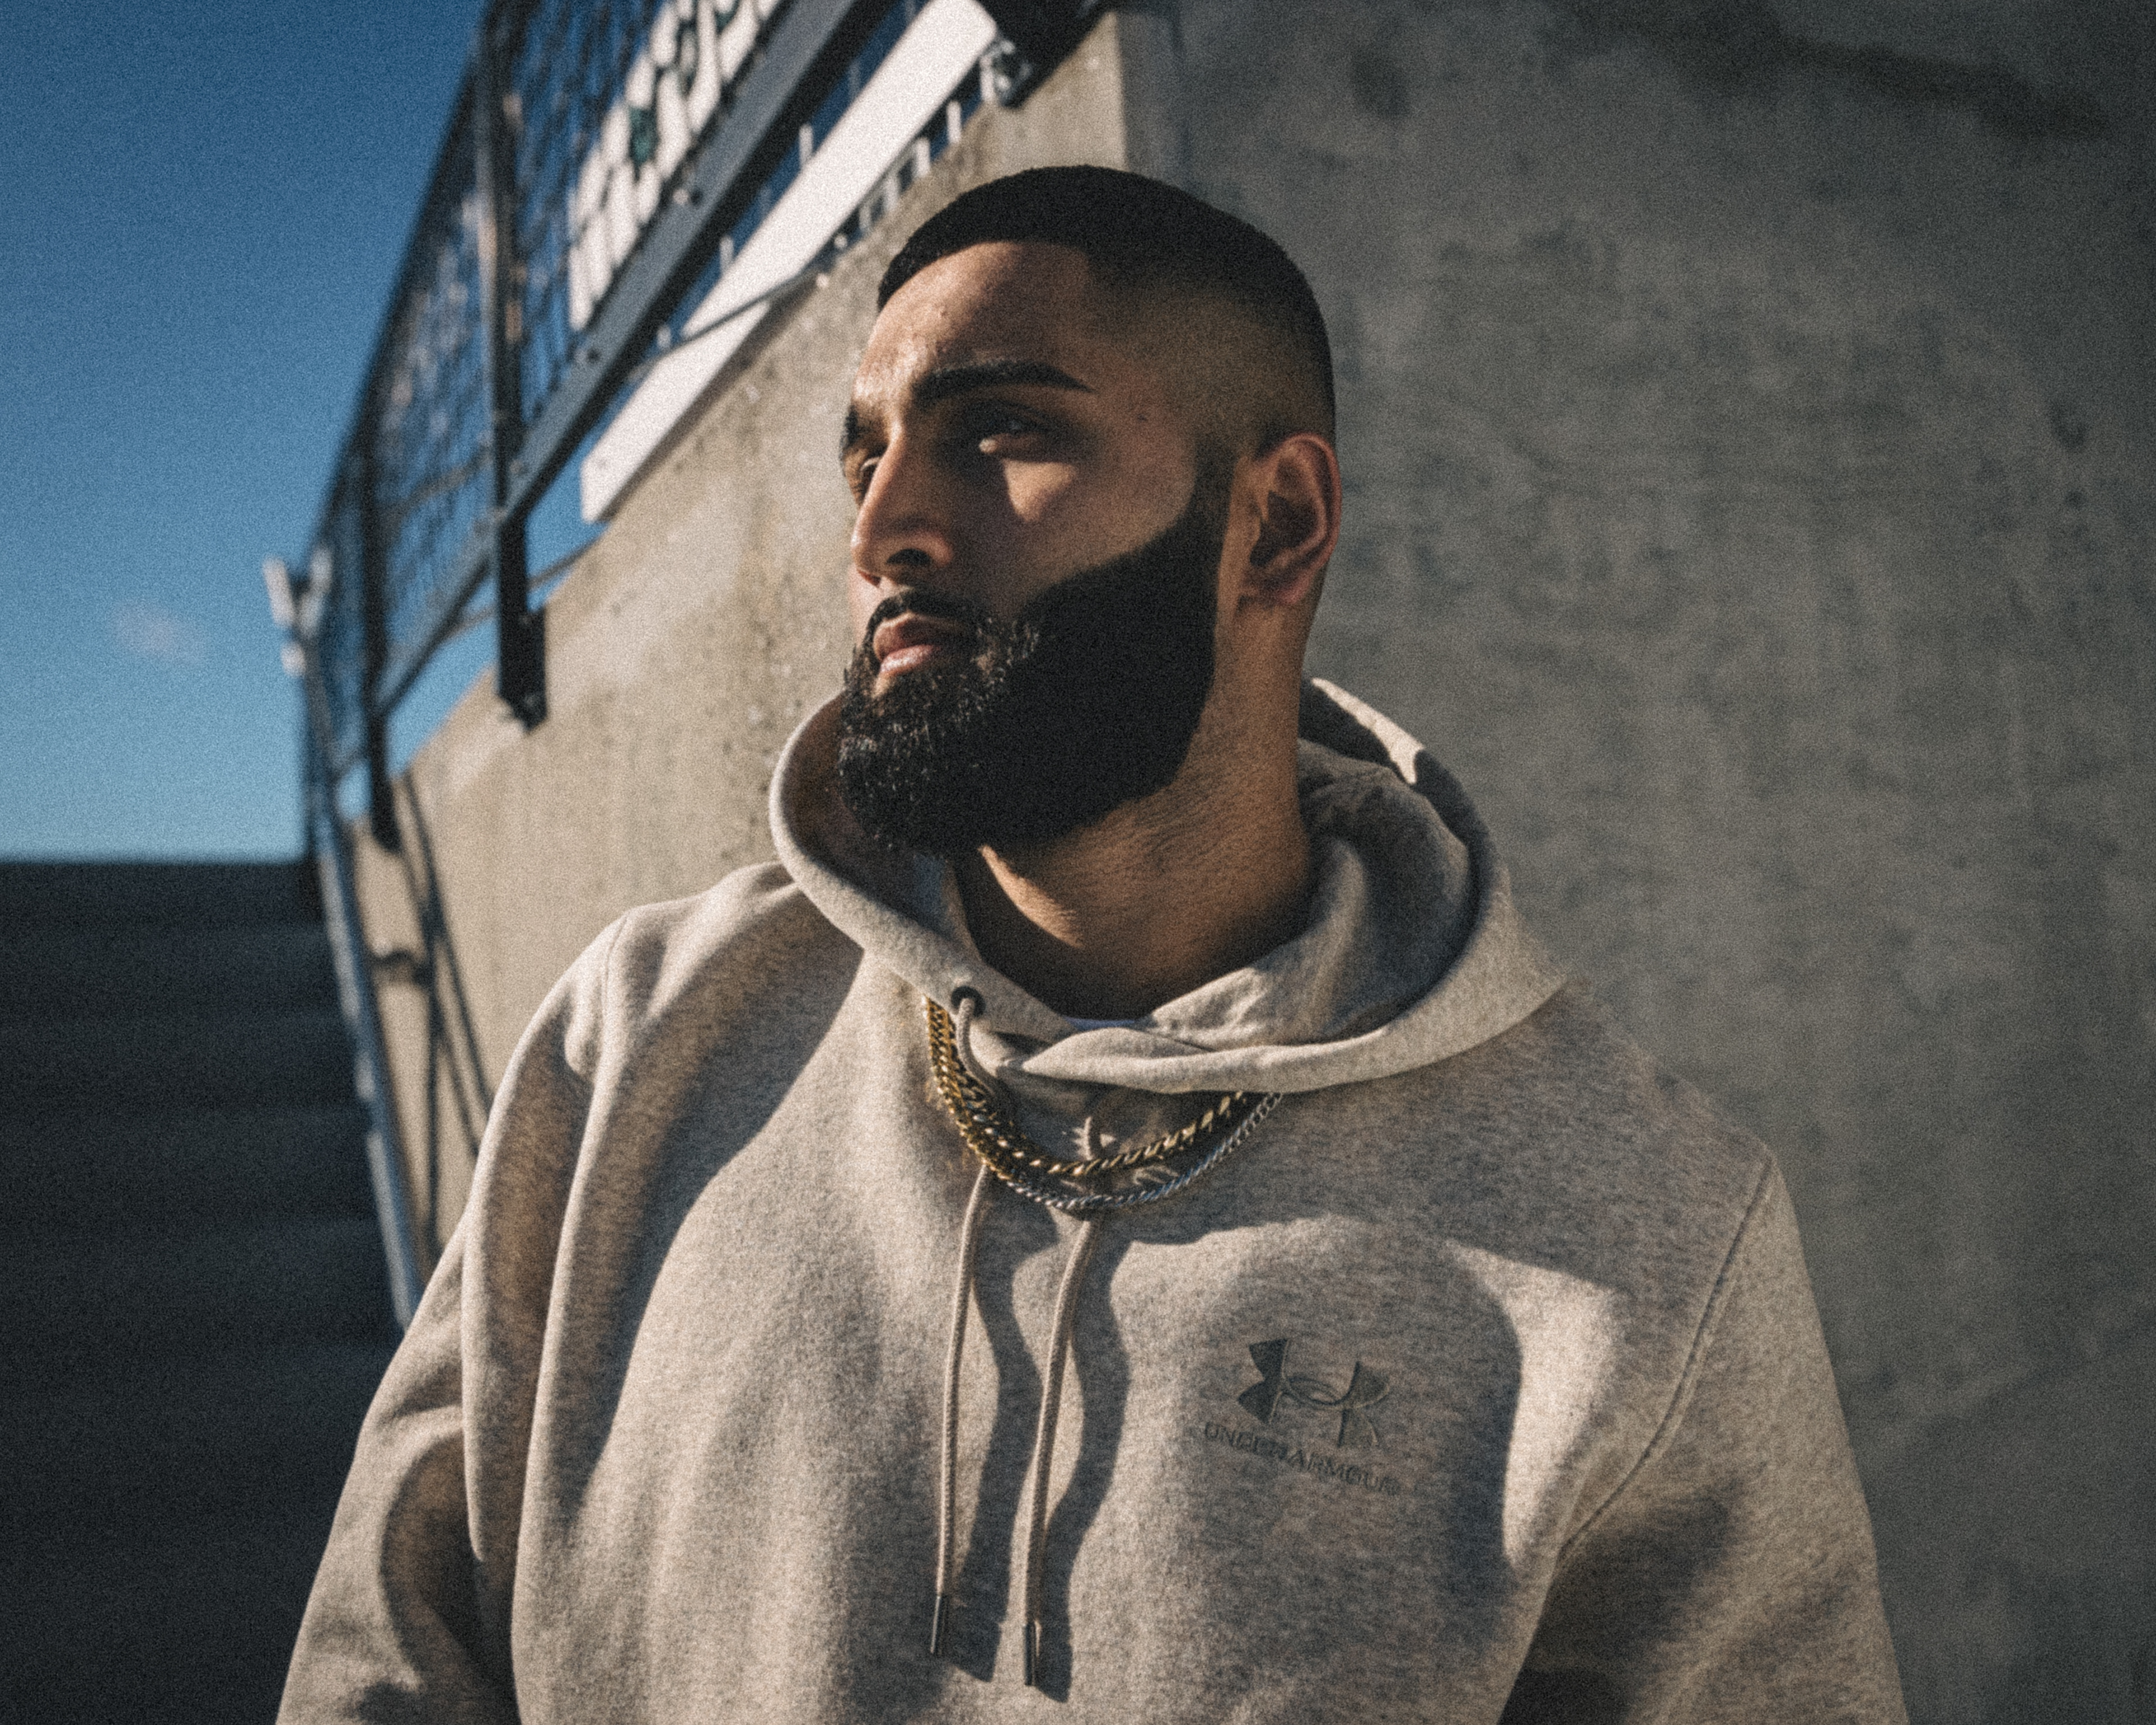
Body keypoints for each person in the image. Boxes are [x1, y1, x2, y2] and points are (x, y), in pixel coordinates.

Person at [281, 167, 1907, 1723]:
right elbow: (390, 1661)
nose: (887, 528)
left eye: (1004, 431)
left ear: (1276, 526)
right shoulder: (636, 1039)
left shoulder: (1643, 1226)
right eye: (865, 458)